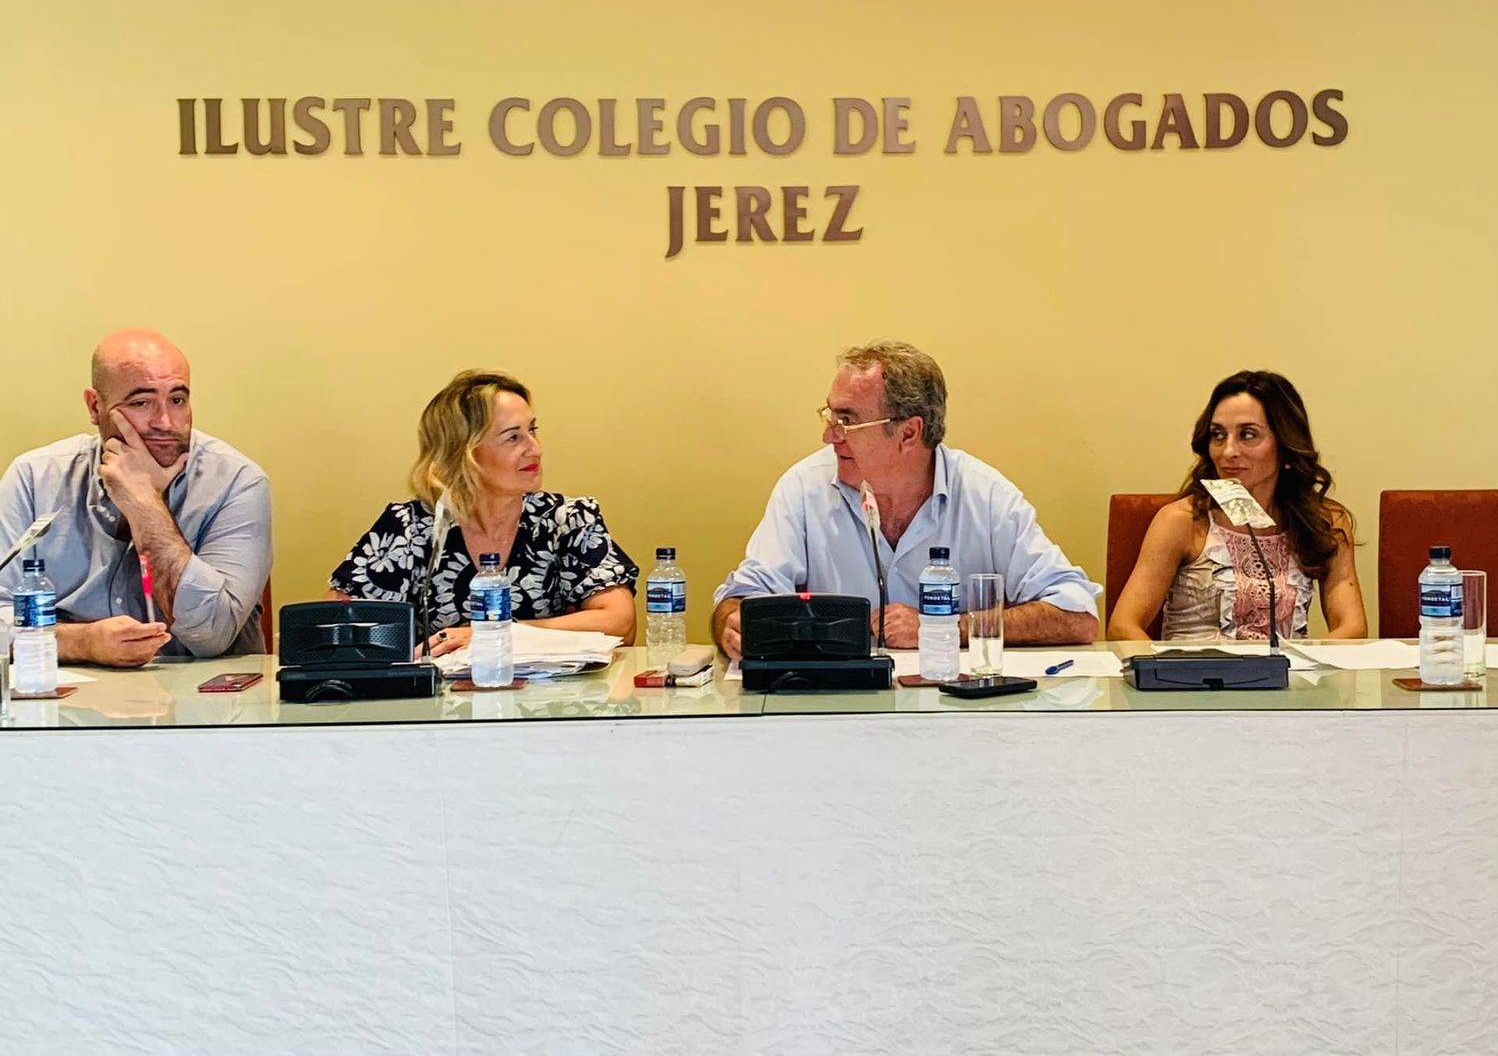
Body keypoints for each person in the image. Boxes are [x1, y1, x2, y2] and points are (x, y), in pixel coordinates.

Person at [712, 340, 1100, 659]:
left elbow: (1077, 614)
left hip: (958, 716)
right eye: (829, 417)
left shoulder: (985, 495)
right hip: (834, 717)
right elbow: (741, 597)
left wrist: (944, 627)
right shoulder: (803, 488)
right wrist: (732, 622)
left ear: (909, 433)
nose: (829, 437)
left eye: (847, 421)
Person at [0, 329, 273, 665]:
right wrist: (83, 642)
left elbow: (213, 634)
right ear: (95, 406)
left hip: (204, 706)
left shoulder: (237, 482)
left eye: (177, 400)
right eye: (141, 403)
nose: (165, 422)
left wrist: (144, 504)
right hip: (66, 705)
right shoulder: (34, 478)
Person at [328, 370, 637, 655]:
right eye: (513, 437)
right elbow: (330, 631)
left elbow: (619, 624)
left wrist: (494, 635)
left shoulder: (566, 520)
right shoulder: (410, 528)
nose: (535, 448)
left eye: (533, 430)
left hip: (550, 706)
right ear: (463, 452)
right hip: (435, 710)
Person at [1108, 369, 1367, 642]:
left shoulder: (1324, 520)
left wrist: (1311, 672)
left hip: (1290, 680)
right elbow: (1123, 627)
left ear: (1286, 444)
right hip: (1194, 679)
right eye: (1218, 435)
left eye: (1247, 435)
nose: (1228, 451)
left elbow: (1352, 627)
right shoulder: (1182, 520)